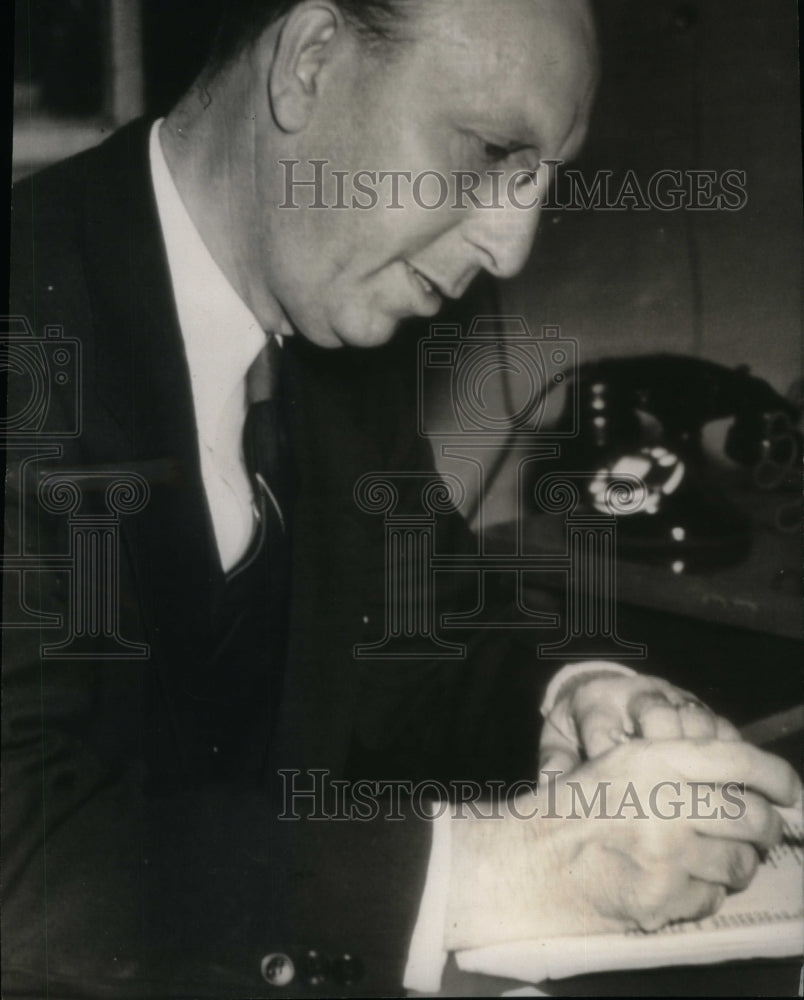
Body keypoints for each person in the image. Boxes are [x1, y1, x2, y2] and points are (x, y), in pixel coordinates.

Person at [3, 1, 798, 997]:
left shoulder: (336, 315)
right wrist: (488, 873)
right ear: (311, 62)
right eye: (490, 152)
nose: (512, 248)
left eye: (541, 180)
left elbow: (429, 619)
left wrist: (585, 695)